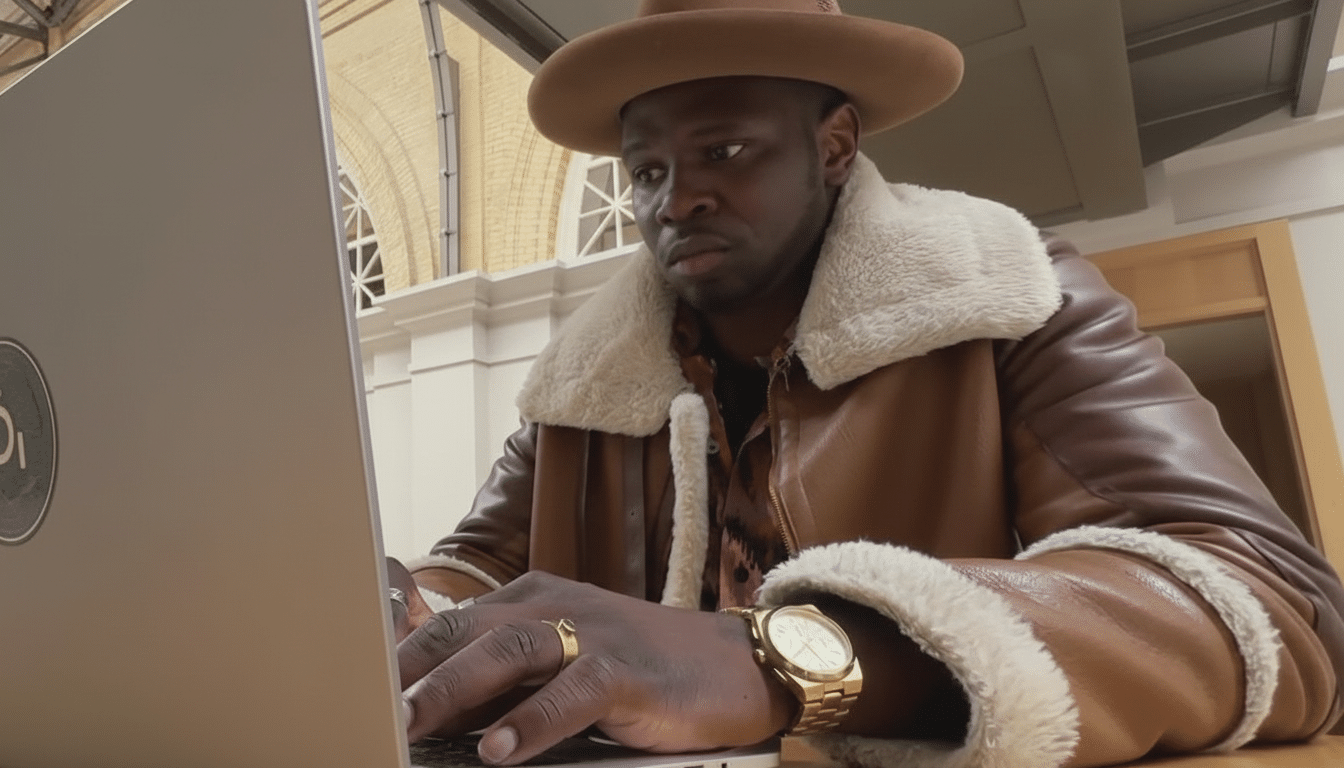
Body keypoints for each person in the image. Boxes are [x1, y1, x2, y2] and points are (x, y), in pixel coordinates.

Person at [386, 2, 1344, 767]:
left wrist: (795, 656)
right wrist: (405, 605)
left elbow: (1277, 606)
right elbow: (477, 561)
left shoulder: (1002, 290)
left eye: (723, 152)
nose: (674, 199)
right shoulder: (580, 385)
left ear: (836, 145)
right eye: (645, 171)